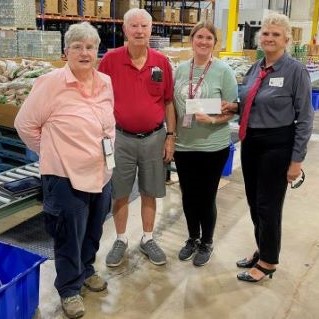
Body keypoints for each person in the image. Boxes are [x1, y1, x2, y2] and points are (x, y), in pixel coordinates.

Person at [14, 22, 115, 318]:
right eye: (78, 47)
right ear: (66, 52)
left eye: (90, 47)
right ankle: (69, 289)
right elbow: (25, 125)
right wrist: (52, 152)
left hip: (102, 172)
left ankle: (85, 270)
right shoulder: (50, 83)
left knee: (93, 230)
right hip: (65, 176)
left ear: (97, 51)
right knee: (68, 235)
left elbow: (108, 124)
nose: (85, 53)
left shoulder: (105, 82)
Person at [223, 13, 314, 282]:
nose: (270, 38)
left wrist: (296, 160)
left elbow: (305, 117)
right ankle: (262, 248)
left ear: (286, 39)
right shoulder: (256, 68)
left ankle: (268, 262)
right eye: (266, 33)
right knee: (254, 202)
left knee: (268, 205)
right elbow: (254, 102)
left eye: (276, 34)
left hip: (277, 146)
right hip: (251, 142)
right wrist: (235, 107)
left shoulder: (294, 71)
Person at [98, 8, 175, 267]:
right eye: (134, 26)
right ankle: (120, 239)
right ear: (125, 30)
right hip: (120, 138)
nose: (139, 31)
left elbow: (167, 102)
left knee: (149, 191)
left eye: (144, 26)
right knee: (119, 191)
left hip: (155, 137)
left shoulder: (162, 62)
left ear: (151, 30)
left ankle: (148, 238)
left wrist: (170, 137)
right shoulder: (110, 60)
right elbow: (98, 98)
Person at [173, 20, 238, 267]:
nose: (203, 41)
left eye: (208, 38)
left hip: (213, 146)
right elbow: (173, 105)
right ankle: (192, 238)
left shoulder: (223, 71)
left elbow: (233, 109)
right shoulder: (180, 70)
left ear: (214, 43)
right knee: (188, 195)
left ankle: (207, 242)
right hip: (184, 146)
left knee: (206, 196)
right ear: (192, 40)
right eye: (199, 37)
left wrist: (211, 120)